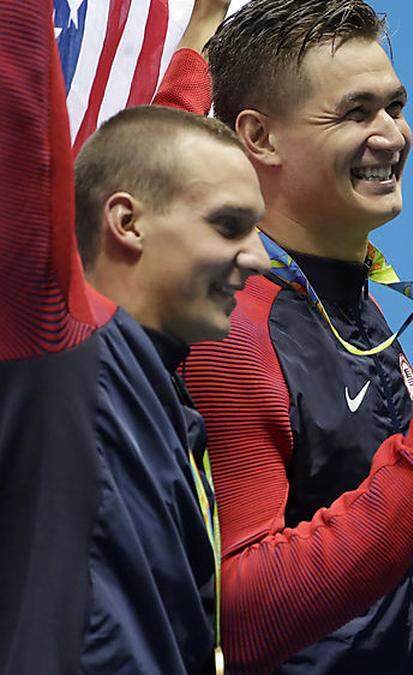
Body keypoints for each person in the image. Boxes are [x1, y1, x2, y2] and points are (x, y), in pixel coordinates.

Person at [182, 0, 413, 671]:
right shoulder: (229, 328)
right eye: (357, 113)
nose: (393, 135)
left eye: (395, 106)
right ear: (258, 138)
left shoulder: (356, 307)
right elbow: (238, 615)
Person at [0, 1, 252, 672]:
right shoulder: (59, 339)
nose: (257, 256)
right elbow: (24, 122)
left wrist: (198, 42)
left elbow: (148, 164)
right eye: (230, 227)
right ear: (126, 223)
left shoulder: (164, 389)